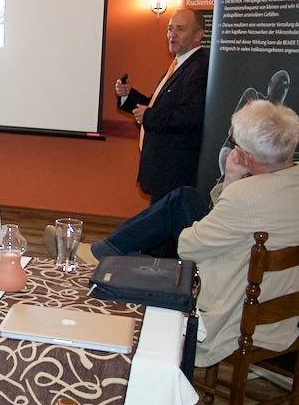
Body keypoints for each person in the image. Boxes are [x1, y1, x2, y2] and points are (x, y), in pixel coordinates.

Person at [83, 101, 299, 367]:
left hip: (236, 318)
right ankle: (110, 254)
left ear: (248, 157)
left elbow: (187, 247)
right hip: (282, 314)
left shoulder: (246, 196)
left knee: (170, 221)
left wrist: (230, 180)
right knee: (184, 199)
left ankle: (109, 257)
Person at [116, 8, 209, 202]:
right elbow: (157, 105)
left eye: (180, 29)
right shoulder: (178, 65)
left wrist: (148, 116)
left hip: (175, 170)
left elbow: (191, 115)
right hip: (162, 169)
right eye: (169, 29)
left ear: (198, 35)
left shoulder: (199, 68)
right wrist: (128, 96)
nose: (172, 35)